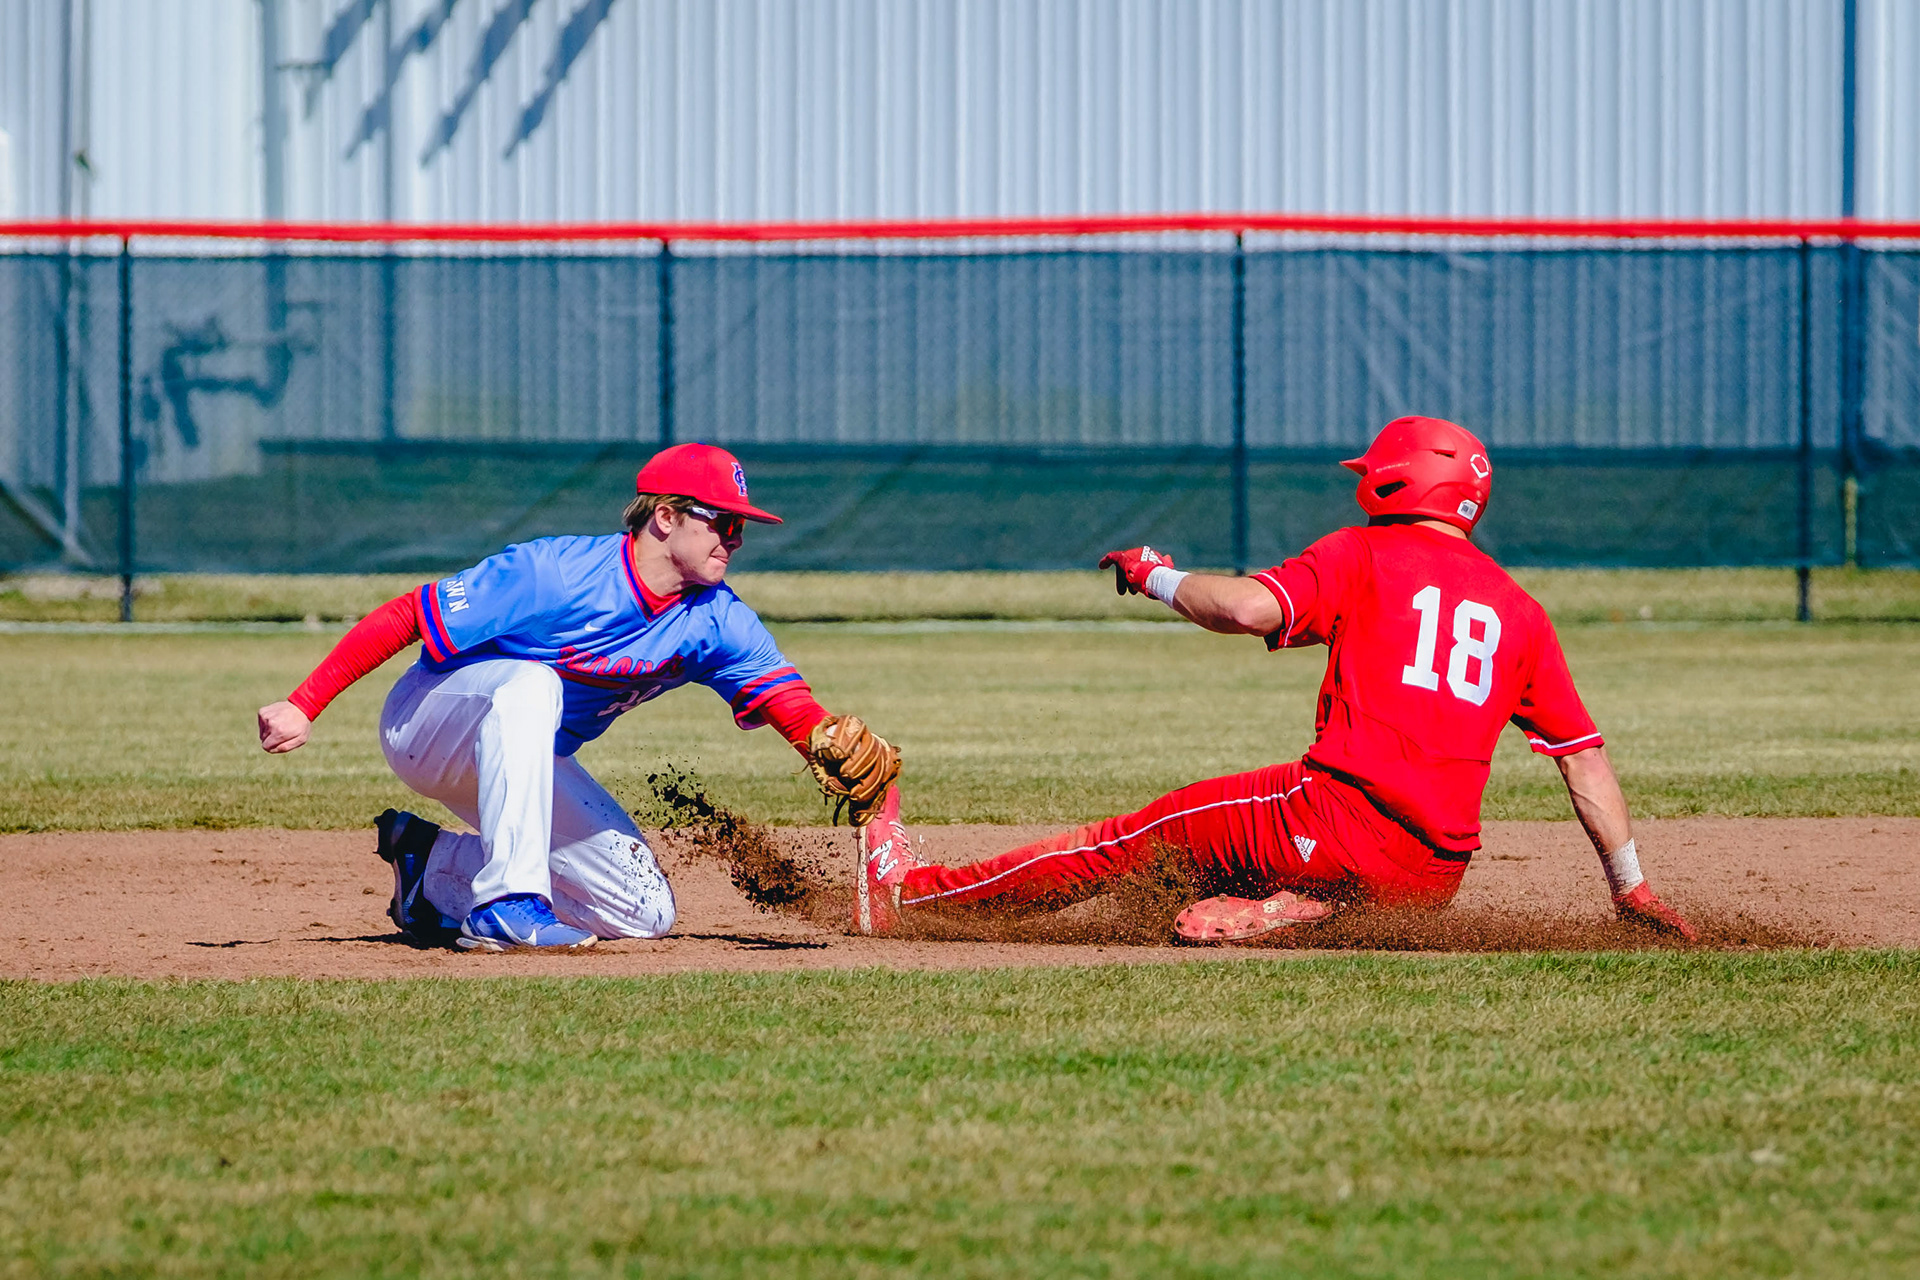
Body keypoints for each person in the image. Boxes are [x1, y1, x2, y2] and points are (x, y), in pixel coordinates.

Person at [855, 416, 1695, 944]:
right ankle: (1301, 907)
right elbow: (1583, 762)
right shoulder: (1522, 611)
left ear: (1394, 479)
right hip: (1430, 878)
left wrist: (1156, 576)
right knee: (1227, 861)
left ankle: (909, 901)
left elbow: (1247, 610)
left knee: (1130, 839)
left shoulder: (1364, 552)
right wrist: (1633, 889)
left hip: (1335, 820)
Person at [257, 442, 900, 952]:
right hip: (432, 722)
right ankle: (506, 904)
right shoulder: (554, 573)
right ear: (666, 516)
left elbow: (788, 702)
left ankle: (432, 870)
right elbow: (407, 615)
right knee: (532, 682)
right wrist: (303, 704)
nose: (733, 538)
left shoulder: (718, 620)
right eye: (722, 522)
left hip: (525, 761)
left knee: (643, 911)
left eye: (742, 528)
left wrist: (821, 737)